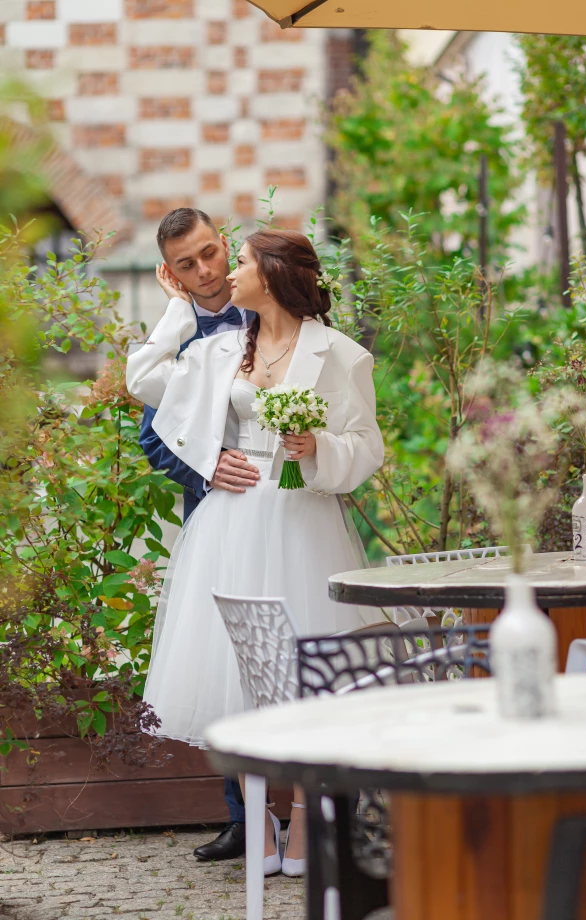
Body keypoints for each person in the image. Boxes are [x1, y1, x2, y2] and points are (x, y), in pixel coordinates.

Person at [127, 228, 384, 877]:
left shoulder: (341, 354)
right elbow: (148, 385)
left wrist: (318, 449)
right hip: (231, 525)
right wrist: (208, 458)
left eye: (235, 260)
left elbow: (366, 445)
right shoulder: (219, 349)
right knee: (234, 670)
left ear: (267, 275)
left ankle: (301, 822)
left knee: (302, 677)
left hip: (303, 521)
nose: (225, 272)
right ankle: (257, 825)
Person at [140, 207, 261, 864]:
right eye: (187, 264)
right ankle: (242, 816)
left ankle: (302, 815)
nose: (206, 271)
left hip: (285, 507)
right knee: (220, 660)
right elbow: (151, 435)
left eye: (211, 253)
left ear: (224, 244)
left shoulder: (267, 308)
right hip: (216, 514)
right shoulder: (178, 337)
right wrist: (207, 465)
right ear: (172, 273)